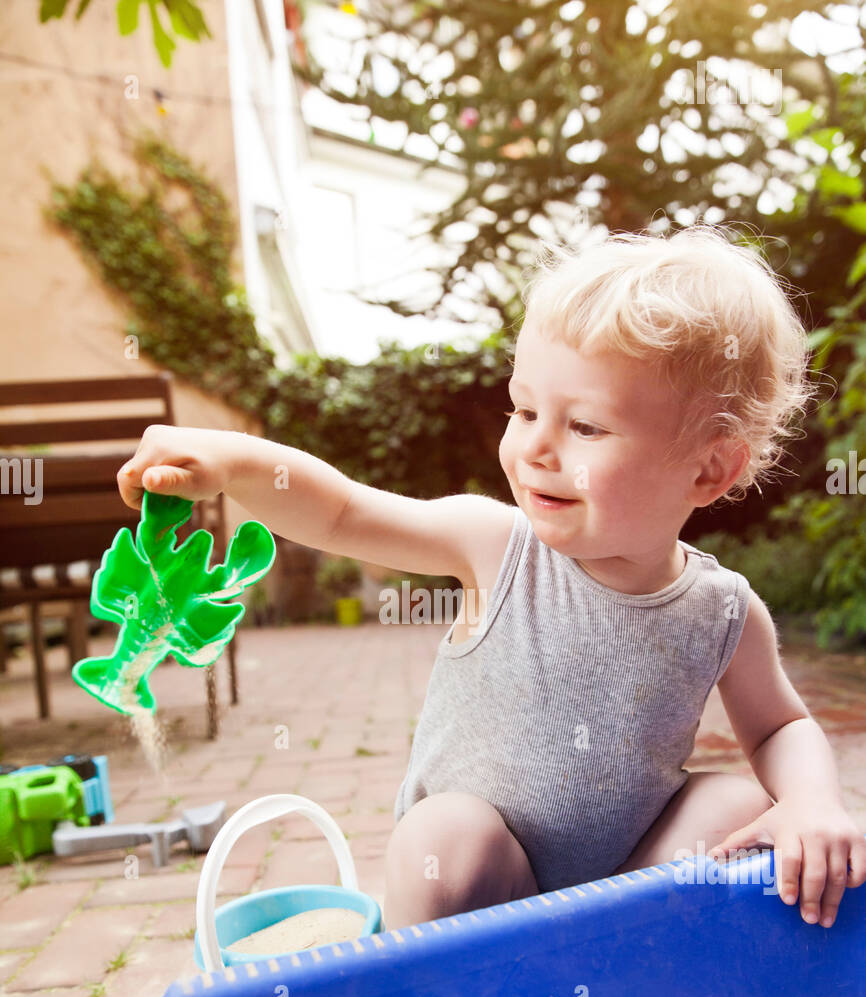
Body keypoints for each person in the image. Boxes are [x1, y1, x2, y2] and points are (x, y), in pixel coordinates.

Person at [117, 225, 866, 932]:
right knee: (450, 830)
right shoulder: (498, 547)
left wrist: (812, 801)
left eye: (585, 427)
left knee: (738, 803)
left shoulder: (722, 612)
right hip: (478, 893)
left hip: (617, 892)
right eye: (525, 409)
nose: (535, 447)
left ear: (710, 467)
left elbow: (780, 726)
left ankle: (609, 986)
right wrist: (229, 463)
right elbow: (343, 512)